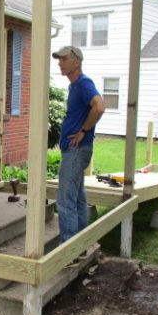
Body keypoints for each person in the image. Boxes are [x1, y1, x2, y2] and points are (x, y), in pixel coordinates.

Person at [52, 46, 105, 250]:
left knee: (65, 201)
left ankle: (68, 251)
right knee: (78, 199)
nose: (60, 63)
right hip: (75, 150)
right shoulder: (74, 86)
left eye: (64, 59)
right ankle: (81, 246)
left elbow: (99, 106)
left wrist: (83, 130)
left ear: (77, 61)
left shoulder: (83, 83)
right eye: (59, 59)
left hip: (76, 150)